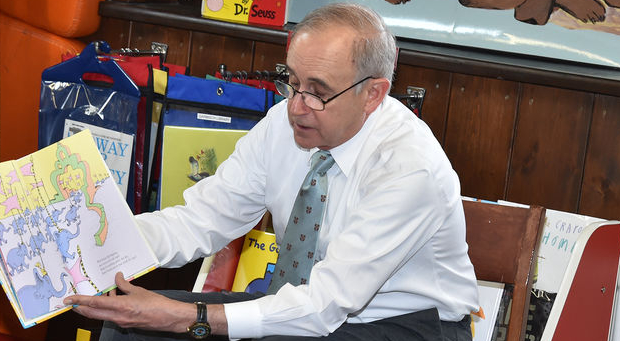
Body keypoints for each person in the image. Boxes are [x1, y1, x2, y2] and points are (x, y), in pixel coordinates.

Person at [65, 3, 479, 340]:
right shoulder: (284, 122)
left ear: (373, 94)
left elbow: (325, 305)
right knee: (128, 328)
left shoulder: (409, 168)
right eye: (292, 82)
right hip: (308, 304)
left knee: (175, 322)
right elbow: (200, 220)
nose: (296, 106)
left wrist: (185, 316)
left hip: (406, 326)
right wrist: (95, 245)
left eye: (318, 92)